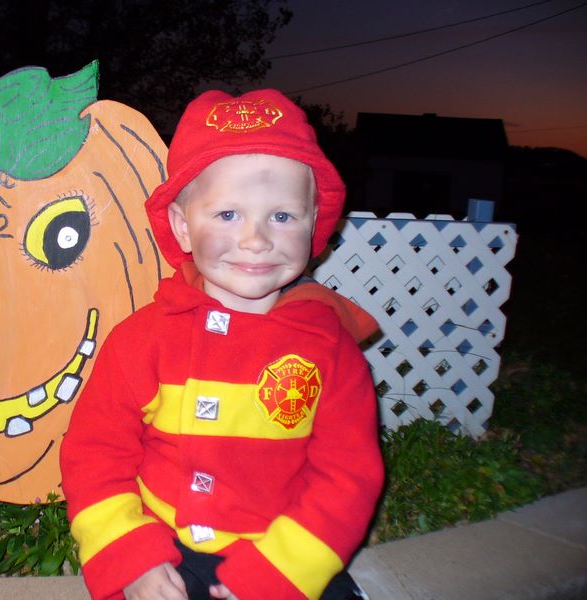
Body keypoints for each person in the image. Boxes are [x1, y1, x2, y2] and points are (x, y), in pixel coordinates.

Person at [60, 89, 384, 600]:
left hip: (284, 553)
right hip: (161, 554)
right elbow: (95, 455)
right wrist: (131, 557)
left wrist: (278, 573)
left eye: (282, 216)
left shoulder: (329, 349)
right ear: (183, 227)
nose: (256, 239)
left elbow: (347, 476)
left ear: (312, 227)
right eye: (229, 215)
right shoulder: (141, 341)